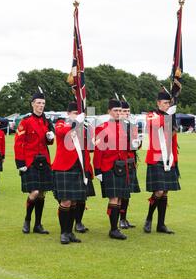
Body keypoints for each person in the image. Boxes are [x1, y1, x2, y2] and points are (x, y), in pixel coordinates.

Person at [52, 101, 95, 244]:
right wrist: (76, 122)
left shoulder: (85, 128)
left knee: (75, 201)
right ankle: (64, 233)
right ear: (68, 113)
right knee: (65, 201)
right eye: (75, 113)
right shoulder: (61, 123)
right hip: (64, 167)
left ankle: (70, 232)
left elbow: (90, 147)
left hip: (79, 167)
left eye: (79, 113)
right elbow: (61, 132)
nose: (77, 116)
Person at [14, 91, 54, 235]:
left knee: (42, 193)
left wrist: (50, 137)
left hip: (44, 160)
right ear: (32, 104)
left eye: (43, 103)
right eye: (38, 103)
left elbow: (50, 142)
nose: (41, 106)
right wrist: (20, 162)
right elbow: (18, 143)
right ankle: (27, 220)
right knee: (34, 192)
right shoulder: (25, 121)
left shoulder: (47, 121)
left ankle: (38, 224)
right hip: (30, 160)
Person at [143, 90, 181, 234]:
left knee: (165, 192)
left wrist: (174, 160)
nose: (166, 105)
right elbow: (155, 124)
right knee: (158, 192)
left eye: (168, 103)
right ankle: (149, 218)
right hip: (155, 157)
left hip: (168, 157)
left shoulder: (170, 117)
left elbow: (173, 138)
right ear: (158, 103)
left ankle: (161, 224)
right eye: (165, 103)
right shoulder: (151, 115)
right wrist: (168, 115)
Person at [94, 99, 130, 240]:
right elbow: (98, 150)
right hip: (108, 166)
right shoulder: (102, 127)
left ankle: (115, 228)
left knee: (120, 198)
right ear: (109, 111)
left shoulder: (123, 126)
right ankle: (113, 229)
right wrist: (97, 169)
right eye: (115, 110)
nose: (118, 113)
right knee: (114, 198)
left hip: (121, 166)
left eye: (120, 111)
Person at [119, 100, 141, 229]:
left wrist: (138, 143)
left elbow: (135, 145)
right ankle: (120, 219)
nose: (126, 113)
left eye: (128, 111)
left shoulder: (132, 125)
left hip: (131, 161)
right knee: (121, 193)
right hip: (121, 162)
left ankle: (124, 218)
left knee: (127, 193)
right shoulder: (116, 125)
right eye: (124, 111)